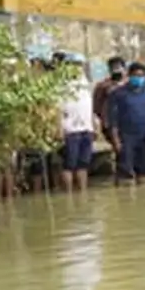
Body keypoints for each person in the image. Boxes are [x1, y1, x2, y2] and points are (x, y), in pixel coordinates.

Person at [105, 62, 145, 186]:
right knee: (125, 172)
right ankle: (125, 199)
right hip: (127, 137)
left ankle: (142, 199)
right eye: (135, 75)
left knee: (143, 172)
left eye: (141, 76)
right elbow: (112, 119)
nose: (138, 78)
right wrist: (116, 140)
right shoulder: (118, 94)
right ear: (129, 76)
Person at [58, 55, 96, 192]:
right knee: (69, 165)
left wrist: (93, 125)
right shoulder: (61, 85)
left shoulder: (85, 84)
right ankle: (68, 195)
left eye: (79, 65)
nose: (77, 68)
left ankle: (82, 193)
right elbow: (57, 109)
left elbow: (89, 106)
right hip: (70, 130)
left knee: (83, 164)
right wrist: (59, 129)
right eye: (74, 65)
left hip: (86, 129)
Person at [92, 56, 126, 153]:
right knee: (117, 148)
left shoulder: (129, 84)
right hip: (110, 124)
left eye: (118, 67)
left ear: (124, 68)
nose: (116, 70)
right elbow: (97, 106)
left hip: (128, 123)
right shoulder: (103, 86)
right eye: (113, 67)